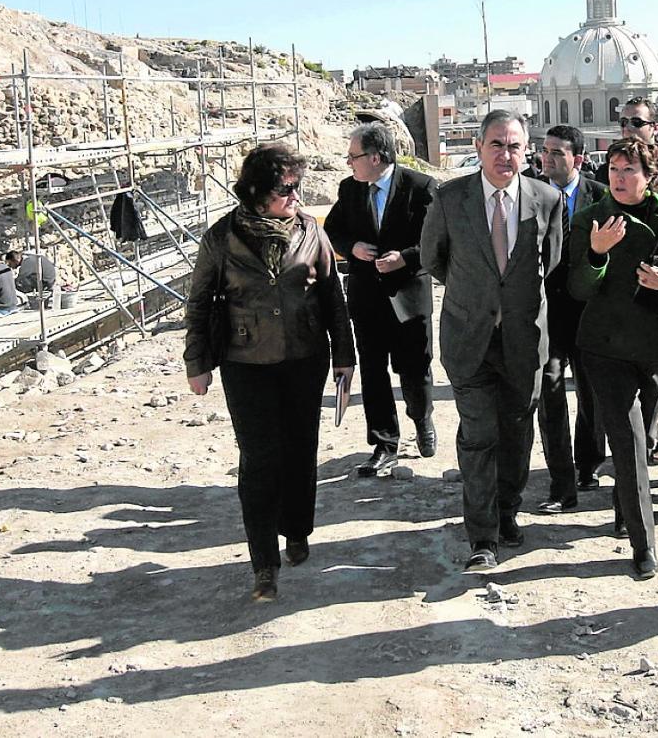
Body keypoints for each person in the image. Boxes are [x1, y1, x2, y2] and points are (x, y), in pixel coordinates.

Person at [183, 142, 355, 603]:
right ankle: (264, 563)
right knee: (260, 459)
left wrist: (345, 356)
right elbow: (199, 302)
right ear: (257, 193)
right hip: (246, 361)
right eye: (286, 189)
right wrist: (196, 364)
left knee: (301, 449)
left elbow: (333, 297)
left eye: (297, 187)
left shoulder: (310, 231)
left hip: (305, 357)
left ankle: (297, 529)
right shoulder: (222, 237)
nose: (295, 197)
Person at [421, 110, 563, 572]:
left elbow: (552, 264)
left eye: (515, 146)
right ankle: (481, 536)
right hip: (470, 339)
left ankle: (507, 512)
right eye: (497, 145)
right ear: (480, 148)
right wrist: (478, 295)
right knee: (479, 436)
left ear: (527, 150)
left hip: (524, 341)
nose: (506, 154)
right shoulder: (450, 198)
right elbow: (435, 260)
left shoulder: (547, 198)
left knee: (518, 433)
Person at [569, 137, 658, 580]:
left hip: (654, 345)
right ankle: (644, 546)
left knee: (639, 442)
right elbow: (577, 288)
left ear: (649, 175)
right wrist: (596, 253)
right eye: (614, 170)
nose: (620, 178)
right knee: (629, 441)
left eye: (629, 170)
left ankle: (627, 508)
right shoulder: (589, 218)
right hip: (604, 346)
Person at [325, 122, 438, 477]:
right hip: (366, 297)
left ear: (375, 157)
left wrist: (404, 257)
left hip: (409, 297)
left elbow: (435, 241)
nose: (348, 163)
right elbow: (333, 231)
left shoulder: (420, 187)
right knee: (373, 372)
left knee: (415, 369)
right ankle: (384, 444)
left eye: (353, 156)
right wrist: (352, 248)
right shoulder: (350, 189)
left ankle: (422, 418)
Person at [595, 97, 658, 466]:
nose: (628, 128)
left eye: (636, 122)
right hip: (622, 290)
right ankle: (629, 444)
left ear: (655, 128)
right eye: (623, 122)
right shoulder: (608, 173)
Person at [532, 124, 608, 511]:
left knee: (592, 394)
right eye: (545, 150)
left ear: (578, 159)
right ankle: (561, 481)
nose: (547, 158)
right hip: (545, 313)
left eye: (557, 152)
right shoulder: (529, 194)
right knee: (550, 393)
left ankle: (589, 464)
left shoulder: (602, 197)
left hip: (591, 314)